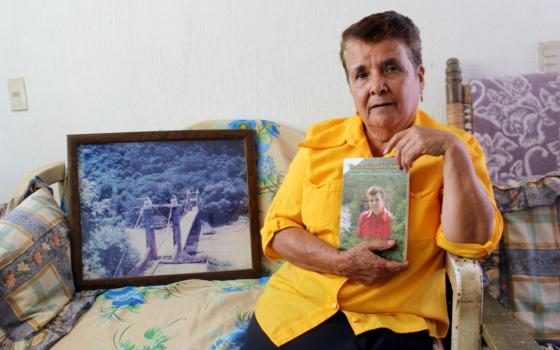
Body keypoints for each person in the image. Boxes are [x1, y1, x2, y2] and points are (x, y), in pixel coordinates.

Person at [242, 11, 503, 350]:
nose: (377, 85)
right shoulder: (320, 144)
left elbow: (471, 244)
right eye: (362, 74)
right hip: (302, 312)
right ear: (352, 87)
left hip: (398, 320)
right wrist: (339, 262)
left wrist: (451, 152)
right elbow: (278, 232)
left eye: (391, 68)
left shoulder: (458, 148)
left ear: (420, 78)